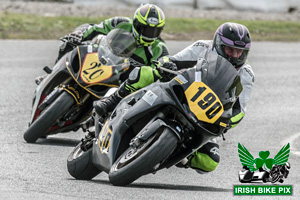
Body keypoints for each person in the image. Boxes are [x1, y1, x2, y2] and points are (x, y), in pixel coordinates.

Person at [94, 22, 255, 174]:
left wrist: (227, 122)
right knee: (145, 73)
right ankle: (112, 100)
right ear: (219, 45)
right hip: (180, 90)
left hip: (204, 115)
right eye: (230, 50)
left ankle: (179, 155)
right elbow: (172, 59)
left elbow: (240, 110)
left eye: (239, 52)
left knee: (210, 161)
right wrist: (167, 64)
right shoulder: (203, 47)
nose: (235, 55)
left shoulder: (246, 74)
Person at [36, 3, 169, 85]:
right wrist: (79, 34)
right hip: (101, 60)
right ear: (136, 24)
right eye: (145, 29)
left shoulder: (159, 49)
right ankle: (51, 75)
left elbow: (164, 72)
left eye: (154, 31)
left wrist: (167, 71)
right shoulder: (120, 22)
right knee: (69, 43)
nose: (149, 34)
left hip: (122, 84)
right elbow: (94, 28)